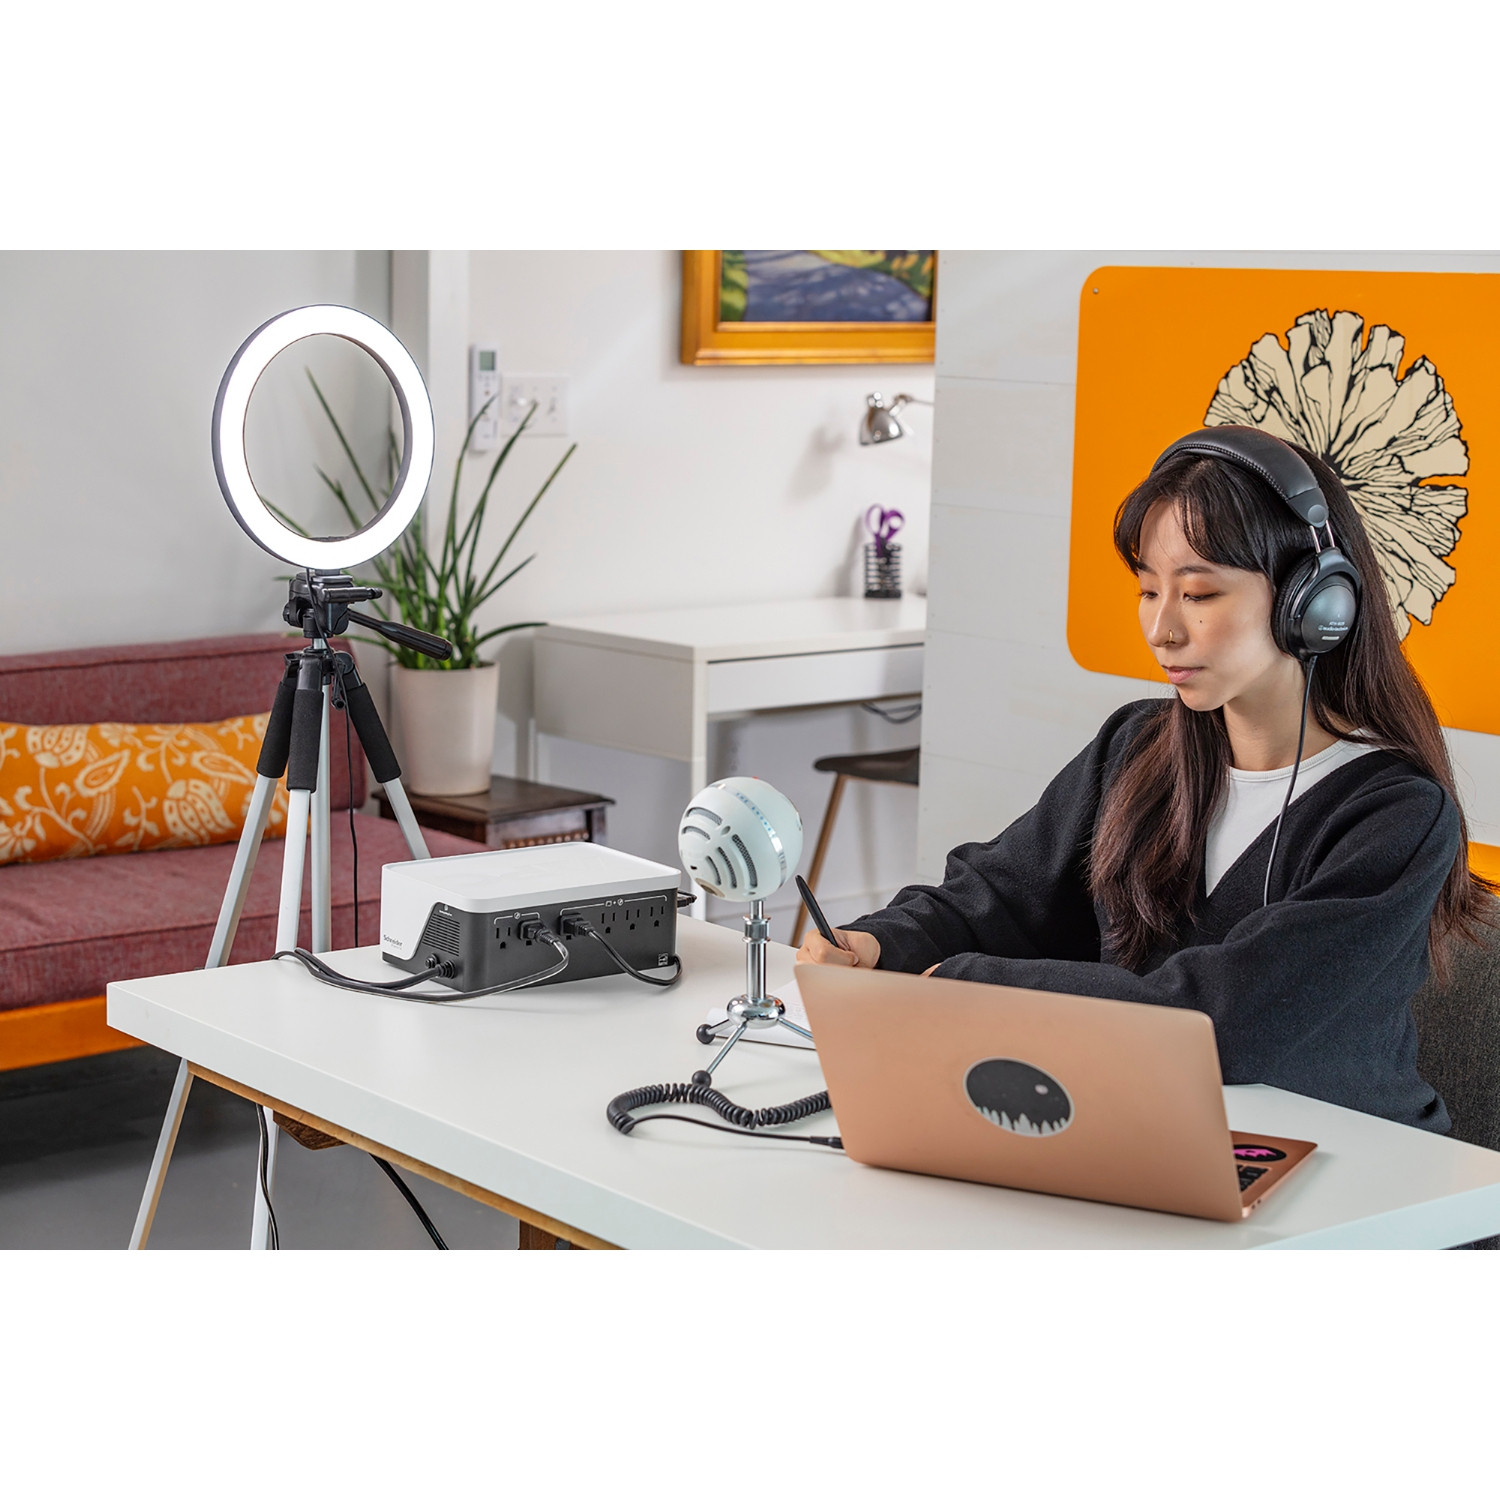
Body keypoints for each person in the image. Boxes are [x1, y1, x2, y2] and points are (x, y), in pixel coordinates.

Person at [797, 427, 1495, 1130]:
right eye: (1148, 590)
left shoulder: (1398, 816)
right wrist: (882, 943)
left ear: (1313, 603)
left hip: (1350, 1160)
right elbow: (998, 898)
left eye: (1198, 593)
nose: (1162, 629)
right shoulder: (1137, 747)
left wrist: (967, 987)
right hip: (1152, 1127)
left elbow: (1219, 1021)